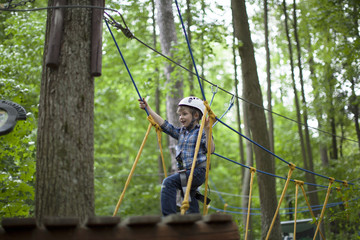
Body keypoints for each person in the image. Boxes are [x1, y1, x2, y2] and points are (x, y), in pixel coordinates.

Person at [139, 96, 215, 216]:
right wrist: (148, 108)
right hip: (187, 172)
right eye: (180, 115)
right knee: (189, 194)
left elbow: (211, 150)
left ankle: (168, 217)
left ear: (196, 116)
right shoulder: (181, 133)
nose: (181, 118)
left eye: (184, 114)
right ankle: (194, 220)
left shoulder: (200, 132)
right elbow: (165, 125)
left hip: (198, 171)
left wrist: (207, 129)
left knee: (169, 182)